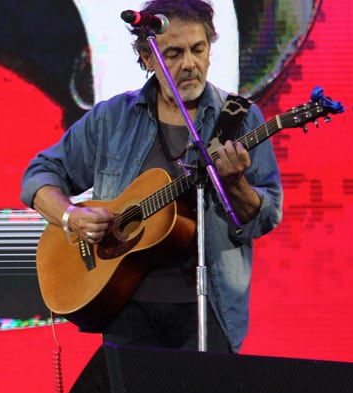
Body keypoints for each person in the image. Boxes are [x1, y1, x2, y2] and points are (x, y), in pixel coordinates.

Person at [21, 0, 283, 353]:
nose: (189, 64)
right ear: (147, 59)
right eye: (173, 54)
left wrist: (235, 184)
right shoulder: (112, 119)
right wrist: (72, 217)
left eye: (198, 49)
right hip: (124, 302)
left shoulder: (239, 118)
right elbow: (39, 175)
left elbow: (266, 216)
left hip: (208, 307)